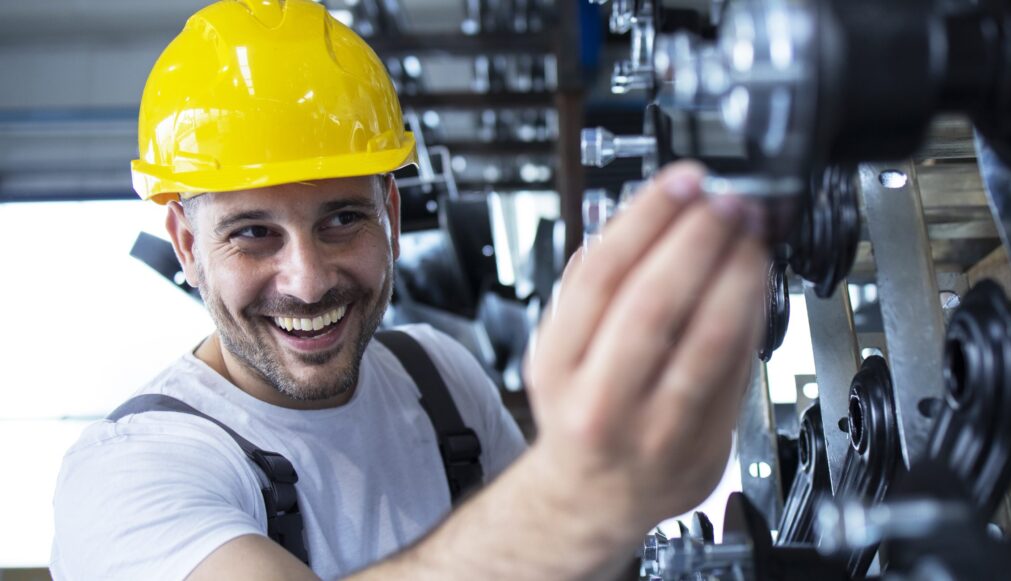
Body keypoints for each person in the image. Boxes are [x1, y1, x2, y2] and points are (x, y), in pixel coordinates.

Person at [50, 1, 771, 579]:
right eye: (252, 233)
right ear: (186, 244)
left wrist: (643, 471)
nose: (308, 280)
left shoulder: (440, 380)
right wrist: (581, 494)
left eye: (342, 218)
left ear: (390, 215)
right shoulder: (128, 475)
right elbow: (553, 528)